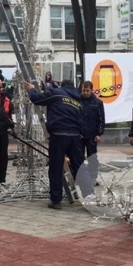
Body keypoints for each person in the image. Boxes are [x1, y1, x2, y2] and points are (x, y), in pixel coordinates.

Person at [25, 79, 84, 210]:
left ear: (62, 86)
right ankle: (87, 197)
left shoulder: (56, 93)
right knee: (79, 167)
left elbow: (37, 99)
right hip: (75, 136)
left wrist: (30, 88)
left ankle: (56, 200)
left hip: (59, 134)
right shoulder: (78, 101)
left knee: (56, 168)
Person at [80, 80, 105, 188]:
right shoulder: (77, 100)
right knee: (78, 157)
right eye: (83, 90)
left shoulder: (97, 102)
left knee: (92, 157)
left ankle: (93, 178)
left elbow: (101, 119)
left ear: (92, 90)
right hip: (80, 134)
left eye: (87, 90)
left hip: (92, 134)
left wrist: (99, 133)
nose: (85, 92)